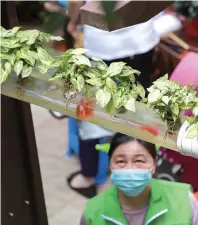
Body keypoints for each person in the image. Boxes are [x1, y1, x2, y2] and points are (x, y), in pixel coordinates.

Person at [66, 1, 181, 198]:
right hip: (140, 40)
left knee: (92, 107)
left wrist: (72, 23)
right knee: (139, 108)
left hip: (103, 45)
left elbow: (76, 2)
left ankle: (89, 176)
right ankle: (140, 173)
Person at [80, 133, 198, 225]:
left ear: (154, 165)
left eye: (139, 160)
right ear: (111, 165)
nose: (130, 169)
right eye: (120, 161)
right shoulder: (93, 211)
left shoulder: (183, 200)